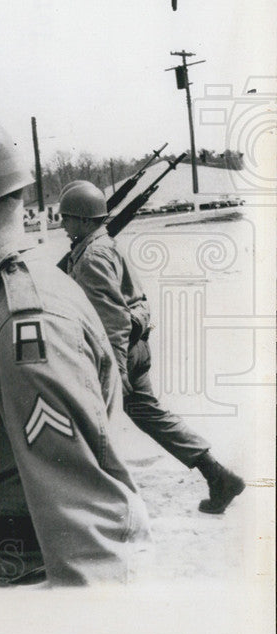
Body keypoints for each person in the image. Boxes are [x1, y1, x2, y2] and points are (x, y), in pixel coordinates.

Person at [0, 115, 151, 586]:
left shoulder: (24, 326)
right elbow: (10, 466)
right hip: (7, 573)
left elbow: (89, 539)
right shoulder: (2, 302)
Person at [59, 180, 245, 514]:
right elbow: (133, 302)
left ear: (86, 221)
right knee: (150, 414)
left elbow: (112, 320)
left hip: (118, 356)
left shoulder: (92, 257)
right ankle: (217, 475)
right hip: (134, 348)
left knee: (82, 419)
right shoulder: (103, 245)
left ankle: (91, 499)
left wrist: (115, 372)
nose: (62, 224)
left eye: (67, 218)